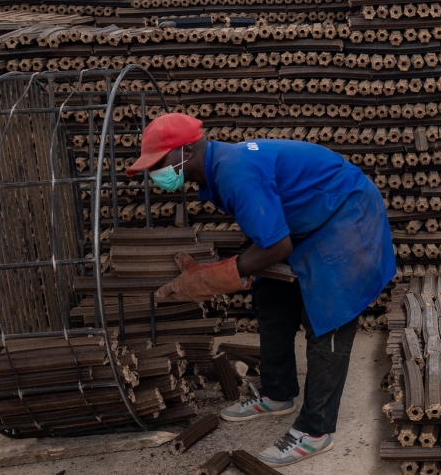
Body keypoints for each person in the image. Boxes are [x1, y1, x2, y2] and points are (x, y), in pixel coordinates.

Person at [127, 113, 395, 467]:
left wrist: (210, 279)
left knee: (329, 317)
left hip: (346, 214)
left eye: (158, 164)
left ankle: (315, 431)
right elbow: (266, 227)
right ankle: (277, 394)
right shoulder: (219, 166)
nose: (154, 173)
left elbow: (277, 246)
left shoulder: (235, 172)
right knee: (271, 298)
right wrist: (227, 270)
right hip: (311, 219)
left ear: (186, 151)